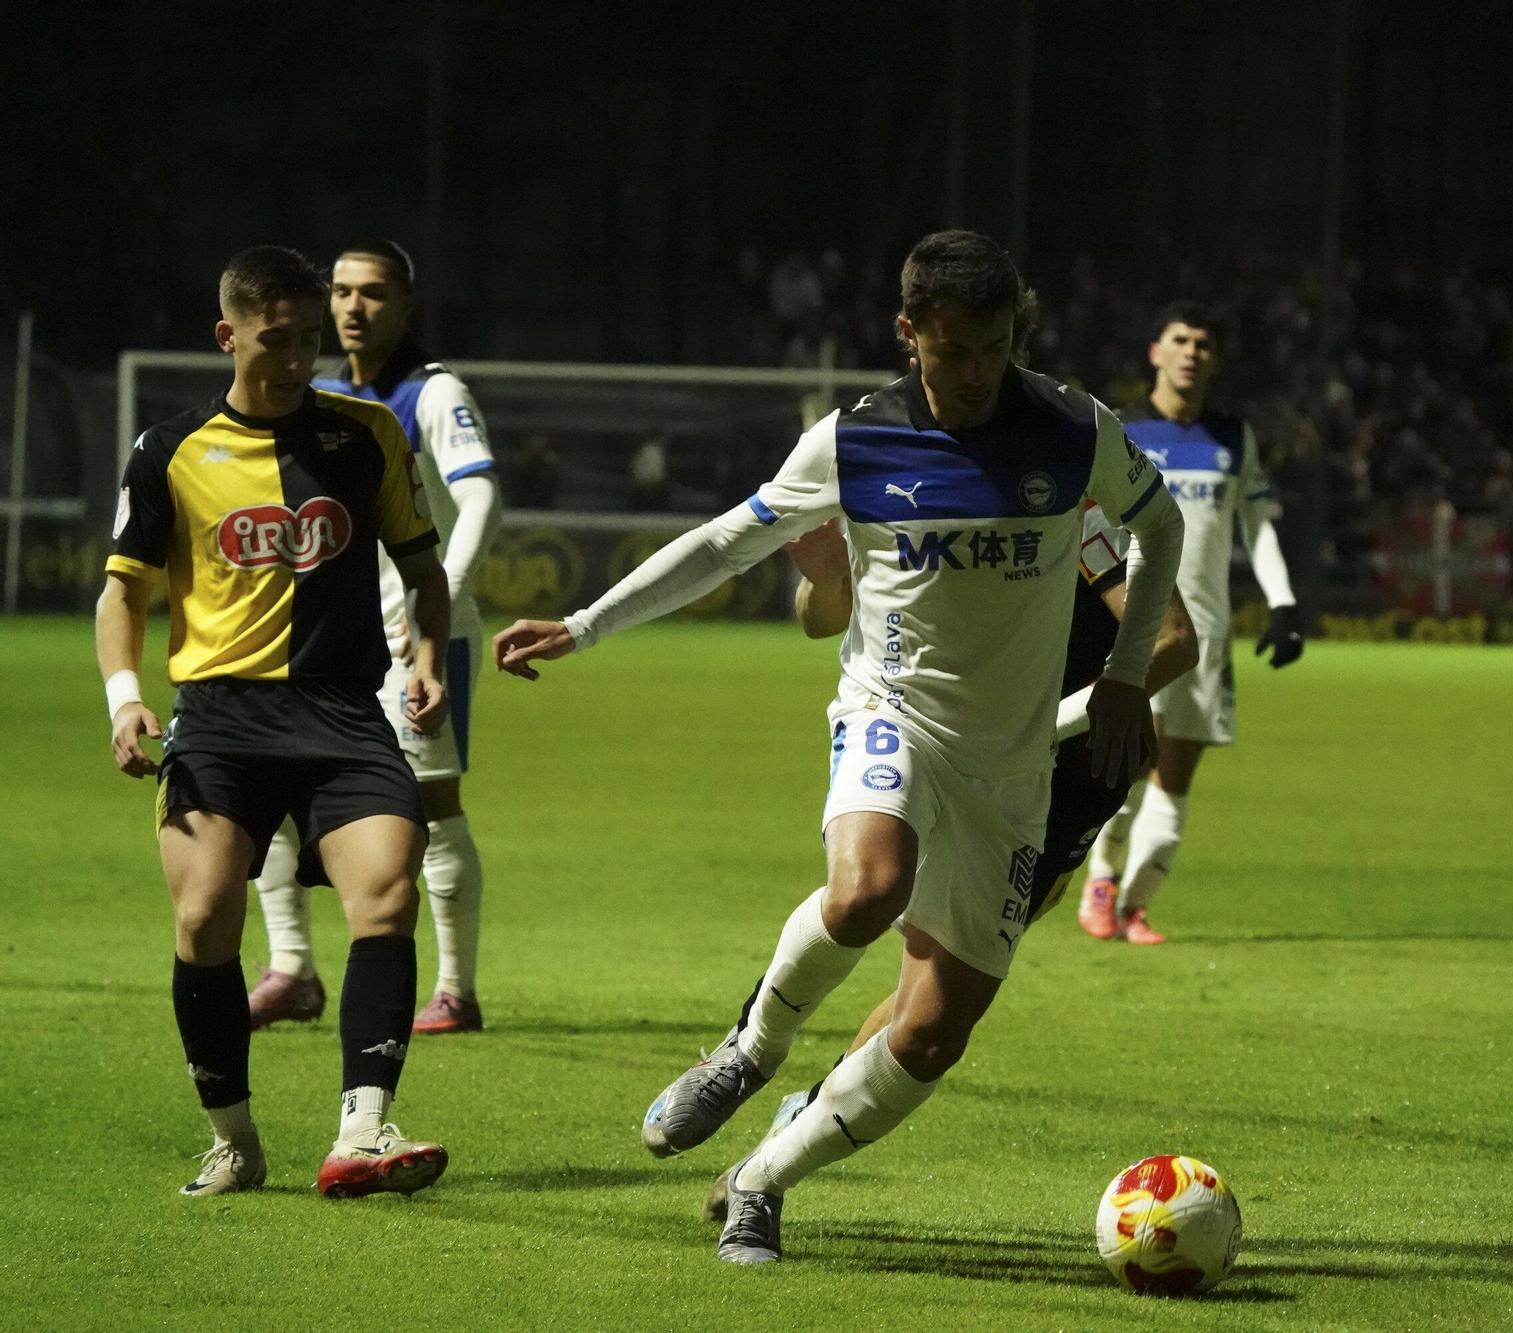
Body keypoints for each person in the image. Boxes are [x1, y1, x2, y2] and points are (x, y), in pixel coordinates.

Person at [493, 229, 1184, 1264]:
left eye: (995, 348)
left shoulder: (1072, 430)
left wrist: (1125, 674)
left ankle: (763, 1181)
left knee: (932, 1030)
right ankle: (748, 1048)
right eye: (953, 352)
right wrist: (585, 623)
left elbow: (1158, 526)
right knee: (866, 888)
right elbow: (731, 538)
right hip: (891, 710)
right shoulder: (853, 442)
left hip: (1010, 769)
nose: (976, 374)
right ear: (908, 335)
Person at [694, 504, 1198, 1219]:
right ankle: (748, 1051)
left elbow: (1173, 640)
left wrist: (1039, 731)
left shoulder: (1075, 502)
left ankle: (794, 1129)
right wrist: (831, 577)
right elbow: (819, 617)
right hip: (934, 746)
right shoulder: (900, 467)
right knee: (866, 893)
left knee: (932, 987)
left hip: (1061, 785)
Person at [95, 245, 451, 1197]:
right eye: (276, 340)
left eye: (307, 339)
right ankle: (235, 1139)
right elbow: (121, 593)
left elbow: (424, 567)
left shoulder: (366, 433)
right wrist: (126, 698)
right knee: (205, 914)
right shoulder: (169, 450)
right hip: (218, 717)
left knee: (387, 889)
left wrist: (425, 654)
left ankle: (363, 1132)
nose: (298, 358)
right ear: (229, 335)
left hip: (342, 711)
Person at [249, 240, 503, 1036]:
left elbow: (483, 494)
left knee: (429, 802)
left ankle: (456, 990)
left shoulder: (432, 394)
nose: (355, 307)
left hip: (421, 636)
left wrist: (439, 601)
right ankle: (292, 969)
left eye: (375, 293)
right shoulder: (319, 395)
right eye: (344, 292)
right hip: (329, 636)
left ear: (407, 307)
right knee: (273, 791)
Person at [1079, 303, 1303, 944]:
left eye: (1204, 343)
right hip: (1134, 622)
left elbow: (1256, 525)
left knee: (1174, 779)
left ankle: (1133, 904)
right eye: (1179, 339)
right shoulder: (1121, 431)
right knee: (1124, 766)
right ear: (1156, 352)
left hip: (1207, 631)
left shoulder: (1233, 437)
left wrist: (1282, 603)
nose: (1191, 352)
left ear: (1214, 359)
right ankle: (1100, 882)